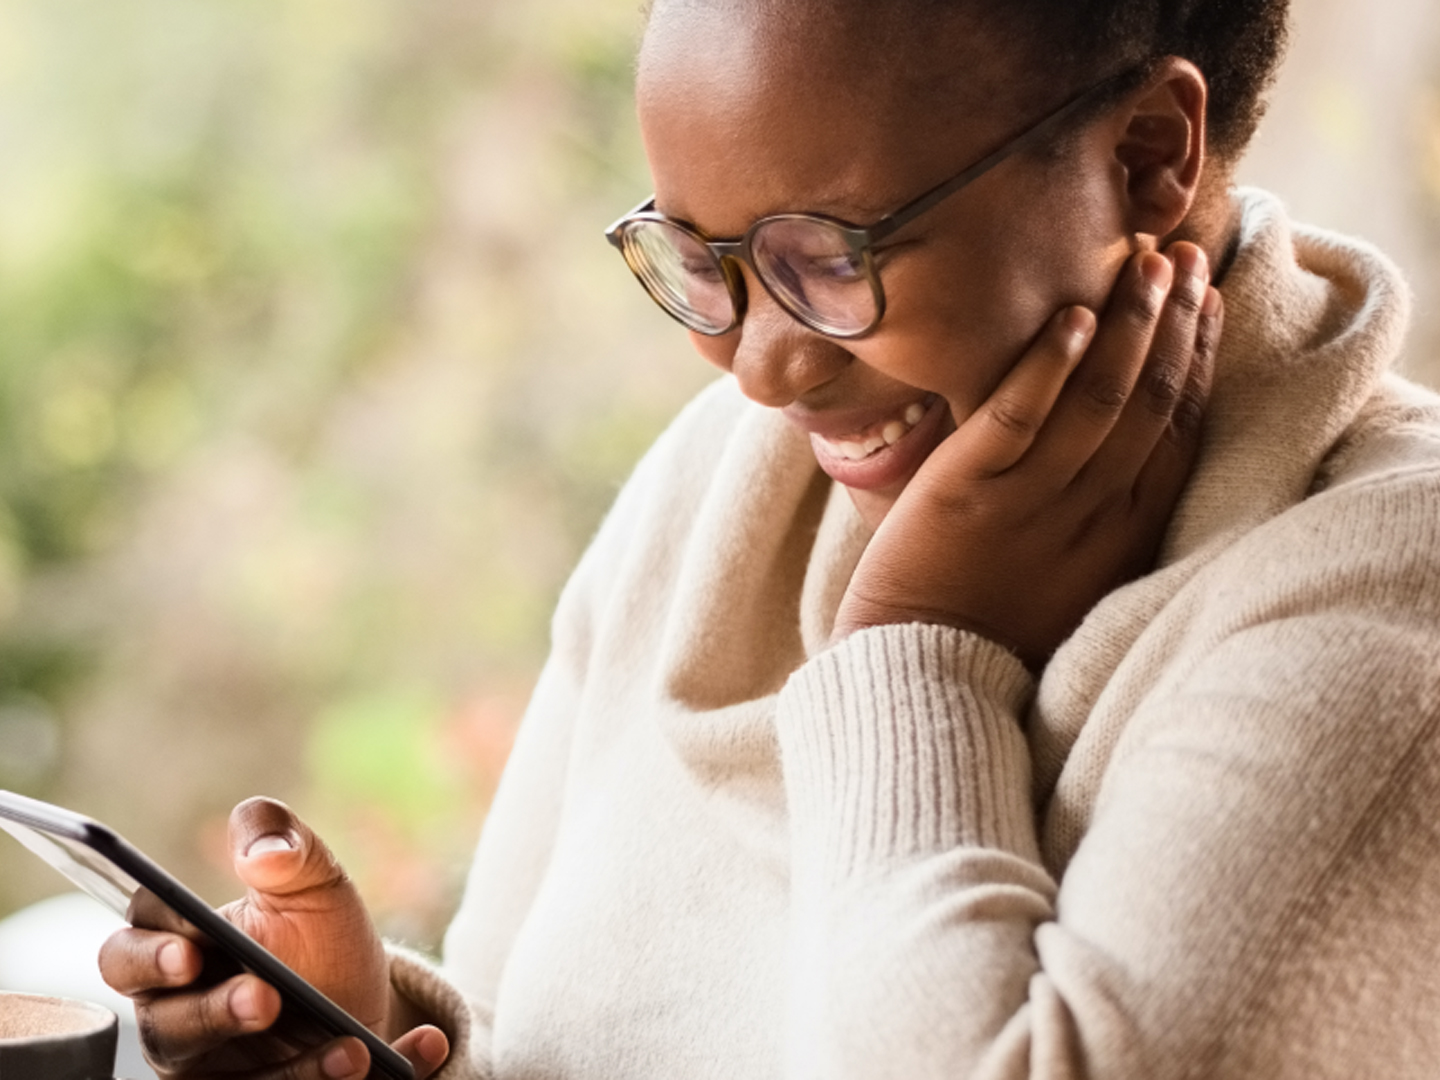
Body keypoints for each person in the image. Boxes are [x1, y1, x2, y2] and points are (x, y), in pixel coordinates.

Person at [99, 0, 1440, 1076]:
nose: (759, 369)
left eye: (831, 256)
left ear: (1148, 153)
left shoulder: (1382, 599)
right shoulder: (732, 491)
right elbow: (542, 1024)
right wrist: (384, 1042)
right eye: (700, 259)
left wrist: (920, 651)